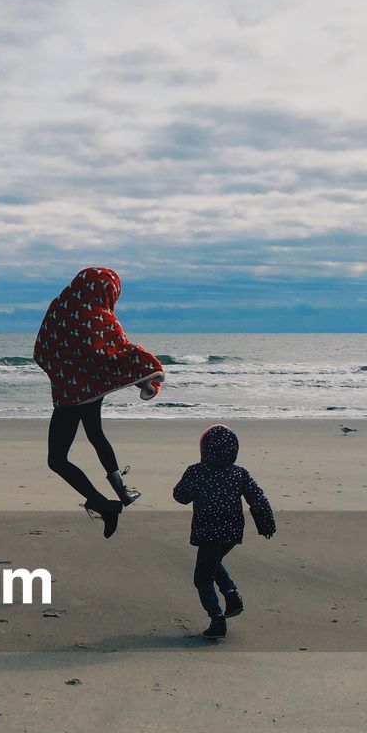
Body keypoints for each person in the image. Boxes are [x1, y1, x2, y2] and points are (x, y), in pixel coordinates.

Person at [33, 266, 166, 538]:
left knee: (57, 459)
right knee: (95, 434)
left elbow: (43, 346)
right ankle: (119, 492)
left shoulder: (59, 308)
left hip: (68, 394)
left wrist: (64, 373)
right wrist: (146, 372)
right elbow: (117, 350)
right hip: (90, 390)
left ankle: (104, 503)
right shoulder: (100, 315)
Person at [172, 425, 275, 640]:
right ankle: (231, 596)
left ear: (204, 449)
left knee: (202, 578)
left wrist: (191, 482)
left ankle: (217, 619)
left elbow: (180, 496)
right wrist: (265, 523)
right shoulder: (239, 473)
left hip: (208, 530)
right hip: (231, 530)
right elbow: (258, 498)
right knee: (214, 562)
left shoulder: (197, 471)